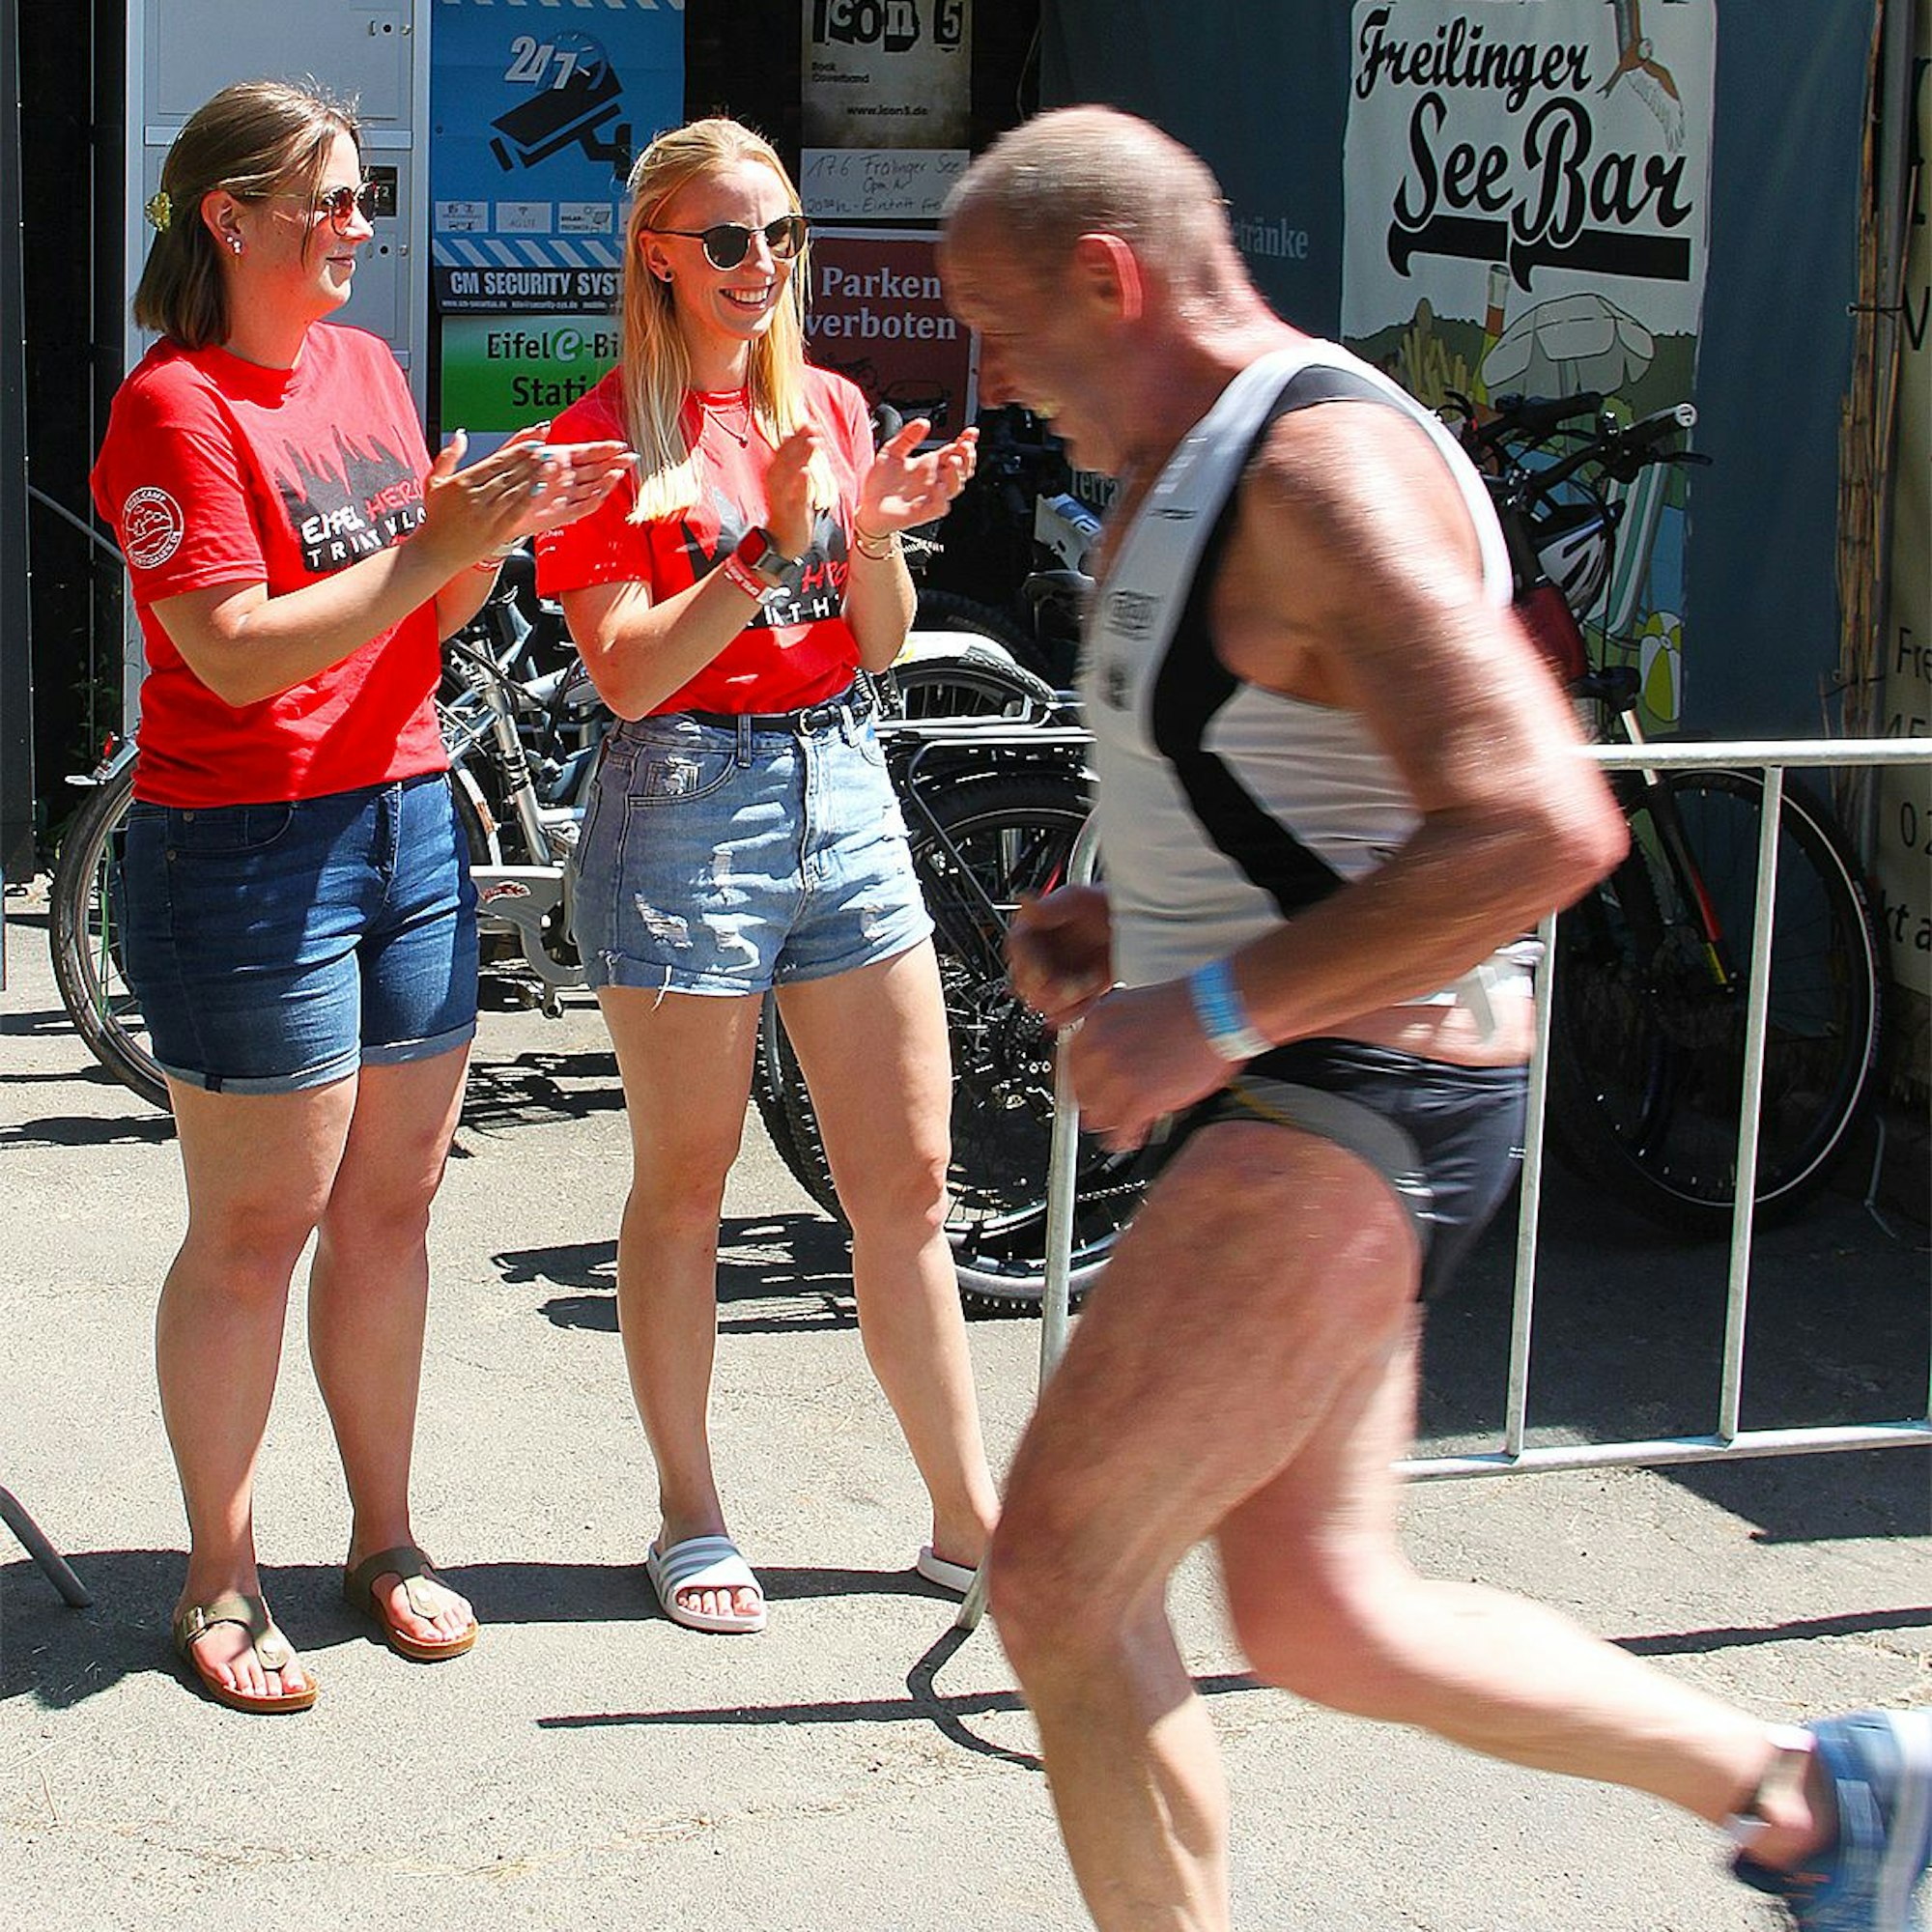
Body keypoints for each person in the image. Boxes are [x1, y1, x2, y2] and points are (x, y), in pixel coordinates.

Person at [938, 106, 1931, 1931]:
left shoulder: (1314, 477)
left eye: (1001, 326)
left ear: (1111, 275)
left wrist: (1211, 1009)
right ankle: (1823, 1795)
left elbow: (1541, 819)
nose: (990, 376)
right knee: (1327, 1614)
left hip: (1348, 1090)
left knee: (1066, 1580)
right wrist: (1132, 926)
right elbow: (1304, 784)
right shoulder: (1192, 453)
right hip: (1326, 1078)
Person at [91, 79, 632, 1714]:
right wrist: (429, 548)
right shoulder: (172, 406)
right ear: (225, 215)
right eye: (329, 201)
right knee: (255, 1230)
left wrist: (504, 532)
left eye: (365, 198)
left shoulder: (371, 370)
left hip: (402, 817)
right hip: (247, 848)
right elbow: (237, 652)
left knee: (391, 1211)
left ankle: (383, 1539)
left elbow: (427, 616)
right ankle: (218, 1568)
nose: (359, 229)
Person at [535, 118, 999, 1635]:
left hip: (842, 778)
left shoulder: (837, 401)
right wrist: (759, 554)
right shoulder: (610, 442)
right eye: (726, 240)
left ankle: (968, 1521)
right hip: (685, 809)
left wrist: (865, 532)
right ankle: (689, 1511)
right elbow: (623, 678)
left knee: (908, 1188)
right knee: (685, 1189)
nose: (761, 266)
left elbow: (874, 636)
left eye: (782, 235)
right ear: (655, 256)